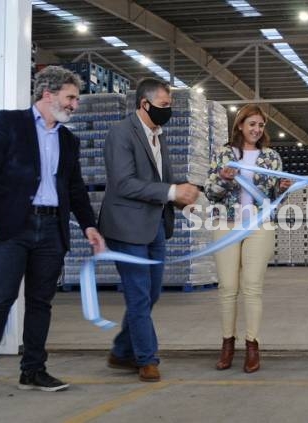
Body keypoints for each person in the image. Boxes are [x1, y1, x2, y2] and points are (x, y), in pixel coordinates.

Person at [0, 66, 105, 399]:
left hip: (51, 229)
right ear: (48, 95)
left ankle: (33, 371)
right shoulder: (9, 123)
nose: (75, 104)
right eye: (71, 97)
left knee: (40, 303)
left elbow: (75, 188)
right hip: (12, 226)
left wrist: (90, 225)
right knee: (1, 298)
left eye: (76, 98)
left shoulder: (68, 139)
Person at [98, 78, 199, 383]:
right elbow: (123, 182)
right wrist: (171, 192)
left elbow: (163, 178)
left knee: (151, 293)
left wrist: (183, 200)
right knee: (140, 295)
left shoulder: (159, 136)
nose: (168, 111)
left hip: (154, 225)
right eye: (164, 106)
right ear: (145, 104)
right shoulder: (120, 134)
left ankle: (120, 350)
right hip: (126, 227)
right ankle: (146, 358)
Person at [204, 104, 290, 373]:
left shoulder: (272, 157)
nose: (256, 129)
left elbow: (276, 199)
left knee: (252, 287)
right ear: (240, 125)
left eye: (261, 125)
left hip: (260, 226)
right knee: (228, 287)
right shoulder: (224, 154)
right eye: (252, 124)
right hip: (226, 225)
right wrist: (224, 178)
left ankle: (252, 345)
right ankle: (227, 344)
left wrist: (284, 188)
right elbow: (210, 192)